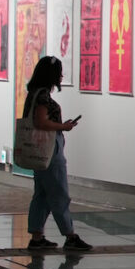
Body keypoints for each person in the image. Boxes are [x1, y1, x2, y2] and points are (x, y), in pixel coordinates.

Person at [24, 56, 92, 251]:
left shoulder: (34, 93)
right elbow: (41, 122)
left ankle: (37, 237)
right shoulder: (43, 95)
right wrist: (63, 126)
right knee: (59, 193)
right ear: (51, 75)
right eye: (59, 73)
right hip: (49, 149)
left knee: (42, 194)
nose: (61, 76)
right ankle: (70, 236)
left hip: (39, 150)